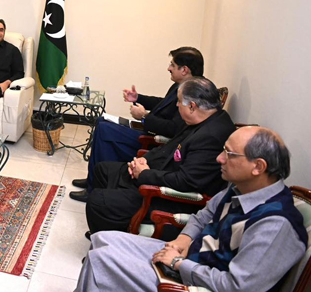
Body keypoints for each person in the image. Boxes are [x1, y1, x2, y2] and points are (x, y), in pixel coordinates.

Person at [74, 127, 307, 292]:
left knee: (101, 260)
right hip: (191, 258)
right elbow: (202, 215)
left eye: (229, 153)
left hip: (196, 280)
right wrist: (183, 239)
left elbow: (236, 287)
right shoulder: (241, 189)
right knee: (101, 239)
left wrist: (178, 264)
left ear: (258, 166)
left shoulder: (275, 224)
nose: (219, 159)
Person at [82, 77, 236, 236]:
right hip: (160, 172)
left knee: (97, 201)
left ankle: (109, 242)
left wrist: (144, 174)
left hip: (169, 198)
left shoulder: (210, 137)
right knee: (103, 170)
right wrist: (145, 159)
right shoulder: (201, 119)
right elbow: (169, 147)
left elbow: (185, 181)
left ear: (192, 106)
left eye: (179, 102)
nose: (176, 105)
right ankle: (109, 228)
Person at [71, 47, 204, 196]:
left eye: (172, 65)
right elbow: (163, 103)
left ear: (184, 70)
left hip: (155, 141)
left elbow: (174, 128)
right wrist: (138, 98)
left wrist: (144, 117)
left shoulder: (193, 94)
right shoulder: (181, 85)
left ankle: (93, 189)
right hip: (149, 130)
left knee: (105, 131)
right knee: (101, 121)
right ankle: (93, 177)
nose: (168, 68)